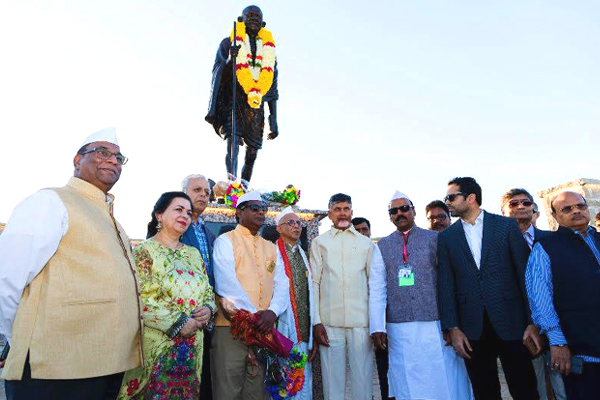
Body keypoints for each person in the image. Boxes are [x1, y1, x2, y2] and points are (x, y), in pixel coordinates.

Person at [0, 128, 143, 400]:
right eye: (102, 152)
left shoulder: (114, 221)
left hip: (106, 367)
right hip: (54, 370)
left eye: (118, 157)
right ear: (77, 160)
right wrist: (21, 340)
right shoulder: (50, 201)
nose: (113, 160)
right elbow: (7, 280)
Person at [437, 177, 540, 400]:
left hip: (512, 323)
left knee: (525, 389)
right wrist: (453, 327)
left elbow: (525, 277)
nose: (448, 203)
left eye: (451, 197)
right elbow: (446, 284)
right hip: (471, 327)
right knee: (484, 392)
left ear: (471, 198)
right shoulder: (446, 237)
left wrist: (532, 322)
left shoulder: (506, 226)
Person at [370, 191, 472, 400]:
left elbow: (448, 282)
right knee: (406, 377)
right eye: (394, 211)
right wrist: (377, 326)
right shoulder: (382, 246)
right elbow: (377, 287)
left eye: (404, 208)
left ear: (414, 211)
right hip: (398, 326)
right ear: (390, 216)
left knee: (442, 375)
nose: (399, 213)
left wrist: (450, 323)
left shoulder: (435, 239)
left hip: (435, 323)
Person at [119, 192, 216, 399]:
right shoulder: (145, 251)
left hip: (193, 346)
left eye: (189, 213)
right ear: (159, 215)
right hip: (158, 344)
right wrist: (181, 323)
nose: (185, 216)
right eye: (178, 210)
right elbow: (141, 298)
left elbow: (207, 289)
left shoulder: (193, 254)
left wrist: (208, 309)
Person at [211, 191, 289, 400]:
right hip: (231, 329)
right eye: (254, 208)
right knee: (228, 390)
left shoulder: (271, 248)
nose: (261, 212)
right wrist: (256, 317)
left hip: (263, 331)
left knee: (256, 392)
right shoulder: (225, 241)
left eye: (263, 209)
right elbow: (226, 284)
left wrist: (272, 312)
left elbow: (283, 284)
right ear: (239, 212)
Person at [526, 191, 600, 400]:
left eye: (580, 206)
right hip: (582, 352)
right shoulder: (546, 248)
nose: (576, 211)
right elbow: (541, 300)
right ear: (555, 216)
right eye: (567, 209)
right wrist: (557, 342)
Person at [500, 188, 566, 400]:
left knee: (563, 386)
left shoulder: (553, 240)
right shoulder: (497, 248)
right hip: (521, 329)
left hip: (557, 324)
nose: (521, 206)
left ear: (534, 209)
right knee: (535, 388)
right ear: (503, 212)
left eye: (526, 203)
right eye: (513, 203)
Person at [310, 193, 374, 400]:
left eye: (346, 209)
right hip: (330, 323)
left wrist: (375, 323)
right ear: (330, 214)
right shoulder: (320, 243)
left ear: (352, 212)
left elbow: (374, 284)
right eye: (337, 209)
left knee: (363, 379)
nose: (342, 213)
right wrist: (317, 322)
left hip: (361, 322)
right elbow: (314, 283)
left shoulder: (366, 244)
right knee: (332, 381)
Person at [205, 5, 279, 183]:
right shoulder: (229, 42)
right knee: (233, 141)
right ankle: (232, 182)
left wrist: (273, 119)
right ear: (241, 20)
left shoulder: (269, 50)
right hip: (234, 98)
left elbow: (272, 86)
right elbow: (218, 72)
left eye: (257, 16)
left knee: (253, 150)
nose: (254, 19)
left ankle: (244, 185)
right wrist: (231, 58)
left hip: (256, 104)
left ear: (263, 23)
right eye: (250, 15)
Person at [181, 174, 216, 399]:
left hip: (207, 316)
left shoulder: (209, 233)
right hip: (181, 319)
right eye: (197, 190)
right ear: (183, 193)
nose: (203, 195)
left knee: (203, 381)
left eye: (206, 191)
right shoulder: (175, 228)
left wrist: (210, 308)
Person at [275, 207, 314, 400]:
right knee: (287, 382)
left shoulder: (302, 254)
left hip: (304, 329)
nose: (296, 226)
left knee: (304, 379)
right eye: (291, 223)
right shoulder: (273, 252)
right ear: (279, 228)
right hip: (284, 326)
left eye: (299, 223)